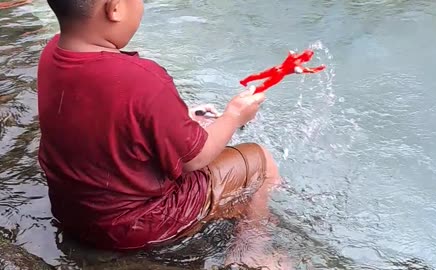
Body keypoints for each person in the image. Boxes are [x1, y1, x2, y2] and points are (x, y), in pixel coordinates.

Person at [37, 0, 282, 264]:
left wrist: (180, 120)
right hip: (136, 227)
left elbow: (103, 121)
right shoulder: (143, 78)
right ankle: (252, 254)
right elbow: (195, 159)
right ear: (115, 8)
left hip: (72, 213)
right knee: (261, 162)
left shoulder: (51, 53)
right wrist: (234, 116)